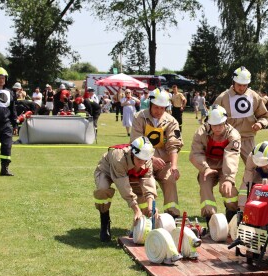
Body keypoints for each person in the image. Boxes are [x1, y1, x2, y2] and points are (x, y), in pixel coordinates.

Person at [93, 136, 157, 242]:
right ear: (132, 153)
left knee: (142, 197)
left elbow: (148, 182)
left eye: (144, 160)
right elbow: (123, 186)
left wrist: (151, 206)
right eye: (139, 159)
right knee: (102, 190)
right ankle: (105, 223)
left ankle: (141, 226)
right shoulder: (118, 157)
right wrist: (136, 209)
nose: (142, 162)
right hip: (107, 171)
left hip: (131, 173)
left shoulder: (147, 159)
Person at [131, 88, 183, 217]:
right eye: (156, 107)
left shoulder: (171, 121)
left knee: (170, 179)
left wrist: (174, 166)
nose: (159, 111)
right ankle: (146, 217)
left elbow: (173, 144)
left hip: (164, 163)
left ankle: (172, 216)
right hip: (143, 162)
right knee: (145, 186)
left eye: (162, 108)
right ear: (150, 104)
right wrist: (152, 159)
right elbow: (135, 141)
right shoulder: (140, 117)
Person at [189, 105, 241, 223]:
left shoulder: (233, 135)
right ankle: (210, 218)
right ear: (209, 123)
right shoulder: (201, 132)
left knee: (228, 189)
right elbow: (195, 154)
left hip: (225, 167)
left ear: (225, 121)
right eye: (214, 125)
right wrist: (205, 168)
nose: (217, 128)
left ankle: (232, 213)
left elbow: (231, 157)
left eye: (220, 124)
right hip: (207, 166)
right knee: (205, 187)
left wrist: (228, 179)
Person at [213, 66, 268, 163]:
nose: (242, 88)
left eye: (245, 85)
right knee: (225, 169)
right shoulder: (222, 98)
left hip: (248, 139)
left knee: (255, 168)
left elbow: (264, 115)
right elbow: (212, 118)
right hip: (227, 139)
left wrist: (260, 124)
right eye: (239, 85)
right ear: (233, 82)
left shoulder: (254, 96)